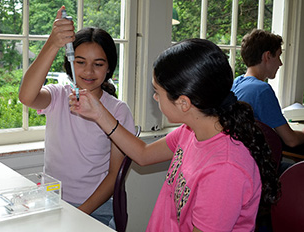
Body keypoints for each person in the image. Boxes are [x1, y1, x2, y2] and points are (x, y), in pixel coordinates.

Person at [69, 38, 280, 231]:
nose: (154, 97)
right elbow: (142, 154)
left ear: (183, 103)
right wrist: (98, 113)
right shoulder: (191, 131)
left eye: (157, 92)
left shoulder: (225, 169)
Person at [18, 6, 135, 229]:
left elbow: (114, 176)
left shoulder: (119, 111)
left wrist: (79, 214)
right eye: (80, 62)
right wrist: (53, 43)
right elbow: (26, 96)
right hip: (51, 201)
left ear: (109, 67)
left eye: (98, 64)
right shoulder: (58, 96)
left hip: (95, 208)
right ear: (70, 62)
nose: (88, 72)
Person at [231, 29, 304, 150]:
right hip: (255, 163)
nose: (280, 63)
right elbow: (291, 140)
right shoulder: (261, 90)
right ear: (268, 56)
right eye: (279, 56)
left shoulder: (236, 83)